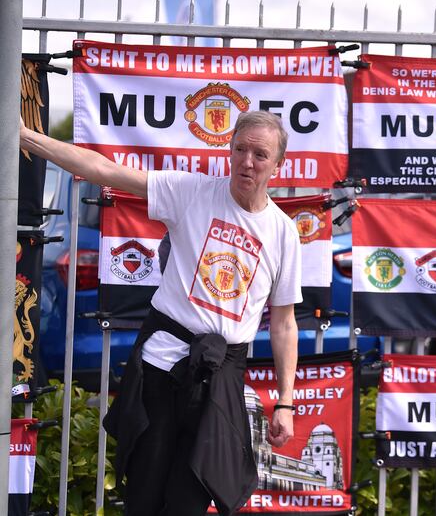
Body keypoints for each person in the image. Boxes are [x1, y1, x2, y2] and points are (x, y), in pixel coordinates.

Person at [19, 110, 301, 516]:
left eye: (260, 154)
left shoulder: (283, 232)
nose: (247, 162)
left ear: (278, 164)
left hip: (220, 379)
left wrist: (286, 403)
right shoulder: (192, 192)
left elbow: (284, 323)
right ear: (229, 150)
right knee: (144, 496)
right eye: (240, 149)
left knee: (190, 500)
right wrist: (25, 137)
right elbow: (104, 170)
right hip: (161, 367)